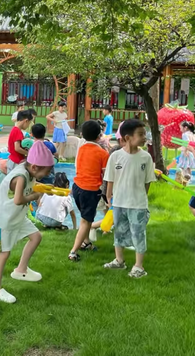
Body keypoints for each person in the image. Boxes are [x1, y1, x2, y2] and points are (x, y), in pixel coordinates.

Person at [0, 141, 54, 304]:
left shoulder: (29, 171)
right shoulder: (20, 177)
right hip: (3, 219)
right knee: (3, 253)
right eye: (44, 173)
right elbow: (18, 199)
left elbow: (32, 185)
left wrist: (42, 187)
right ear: (34, 168)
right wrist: (35, 196)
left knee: (36, 236)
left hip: (15, 216)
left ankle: (21, 270)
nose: (44, 176)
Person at [103, 119, 156, 278]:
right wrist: (109, 196)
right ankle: (119, 261)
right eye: (140, 134)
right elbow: (110, 178)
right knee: (119, 232)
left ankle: (138, 266)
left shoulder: (145, 157)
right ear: (127, 138)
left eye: (144, 134)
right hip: (119, 202)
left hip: (137, 204)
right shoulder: (116, 156)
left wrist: (141, 196)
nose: (144, 137)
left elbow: (147, 182)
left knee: (139, 234)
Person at [68, 120, 109, 262]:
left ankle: (86, 243)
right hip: (90, 191)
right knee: (86, 221)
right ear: (100, 135)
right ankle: (73, 251)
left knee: (85, 218)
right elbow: (106, 176)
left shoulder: (81, 149)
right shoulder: (103, 153)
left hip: (77, 188)